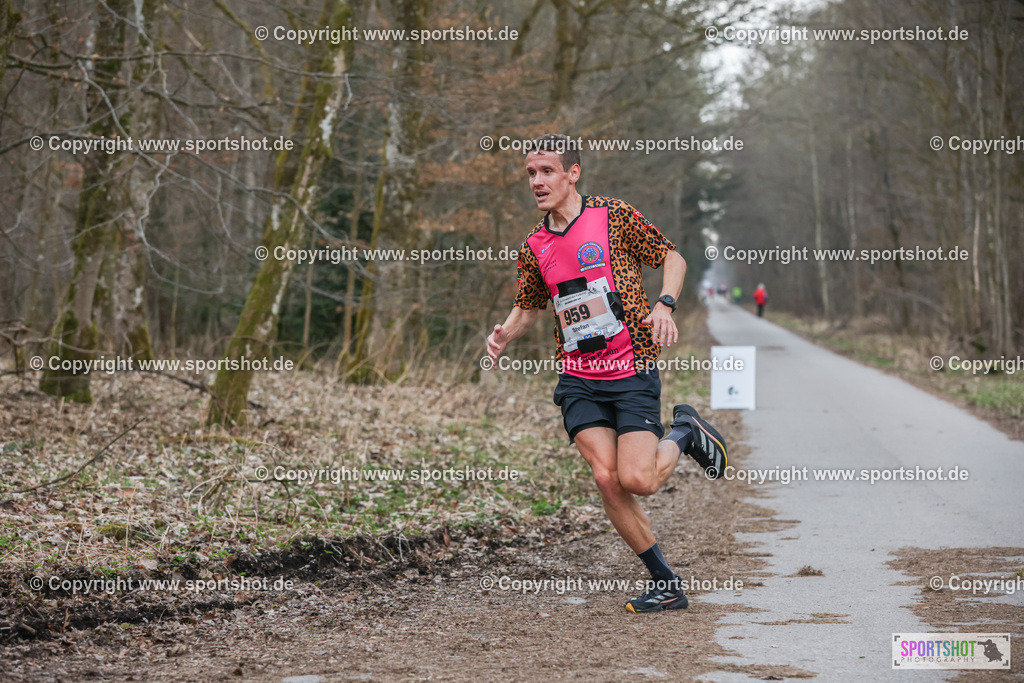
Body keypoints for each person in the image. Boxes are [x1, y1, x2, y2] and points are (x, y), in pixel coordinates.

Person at [485, 134, 728, 614]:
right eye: (531, 173)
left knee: (638, 479)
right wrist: (503, 336)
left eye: (547, 171)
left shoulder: (612, 215)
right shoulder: (534, 244)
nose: (537, 181)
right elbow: (528, 306)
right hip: (578, 376)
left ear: (572, 173)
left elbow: (672, 257)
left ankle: (685, 430)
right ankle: (667, 583)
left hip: (630, 366)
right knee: (606, 478)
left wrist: (665, 303)